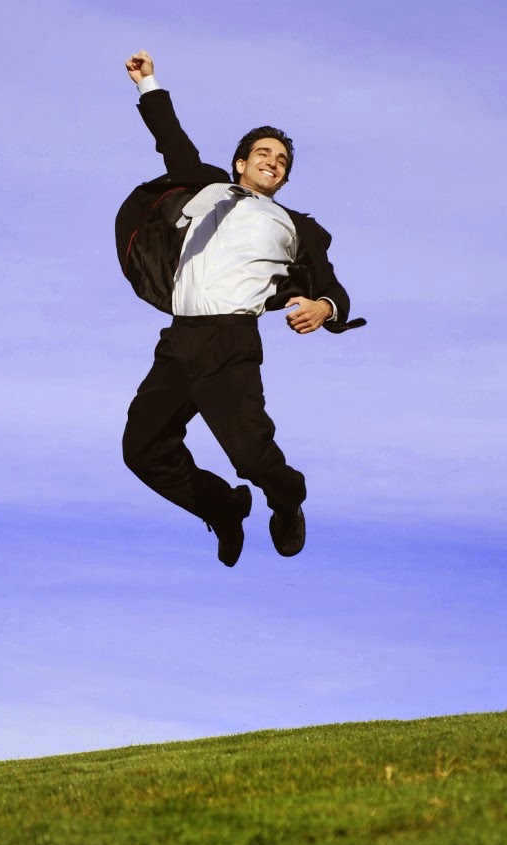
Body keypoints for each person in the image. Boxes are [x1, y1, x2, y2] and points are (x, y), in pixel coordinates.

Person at [117, 50, 365, 568]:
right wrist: (148, 82)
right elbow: (171, 138)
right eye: (263, 153)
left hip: (229, 342)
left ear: (284, 178)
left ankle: (287, 498)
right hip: (179, 339)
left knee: (251, 455)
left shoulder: (295, 226)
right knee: (142, 451)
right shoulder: (206, 189)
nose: (273, 162)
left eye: (282, 161)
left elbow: (333, 290)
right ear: (241, 162)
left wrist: (323, 307)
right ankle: (224, 507)